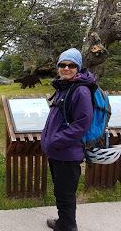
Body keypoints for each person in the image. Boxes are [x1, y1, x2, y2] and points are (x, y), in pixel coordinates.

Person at [41, 48, 95, 231]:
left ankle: (68, 226)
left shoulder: (80, 91)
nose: (66, 68)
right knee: (62, 192)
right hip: (59, 152)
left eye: (71, 65)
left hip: (67, 153)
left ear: (78, 68)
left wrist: (55, 140)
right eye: (62, 65)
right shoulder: (64, 87)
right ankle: (63, 222)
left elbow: (82, 124)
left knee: (65, 194)